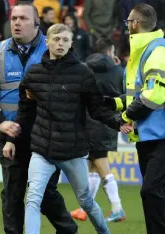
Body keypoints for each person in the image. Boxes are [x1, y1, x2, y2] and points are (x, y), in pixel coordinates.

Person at [5, 23, 120, 234]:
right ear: (47, 41)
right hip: (42, 148)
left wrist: (118, 122)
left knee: (86, 201)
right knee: (33, 198)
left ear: (71, 44)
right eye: (56, 39)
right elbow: (25, 112)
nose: (60, 44)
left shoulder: (83, 74)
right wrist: (11, 139)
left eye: (65, 40)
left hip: (73, 150)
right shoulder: (33, 74)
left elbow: (97, 108)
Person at [0, 1, 78, 234]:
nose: (17, 22)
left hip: (46, 135)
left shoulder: (54, 47)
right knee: (12, 194)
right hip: (11, 134)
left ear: (37, 23)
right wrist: (0, 124)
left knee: (44, 194)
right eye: (13, 18)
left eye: (23, 18)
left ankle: (68, 231)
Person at [105, 3, 165, 234]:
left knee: (151, 191)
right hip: (150, 134)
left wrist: (126, 116)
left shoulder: (158, 51)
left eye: (129, 21)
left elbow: (155, 95)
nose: (126, 25)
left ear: (135, 24)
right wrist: (114, 104)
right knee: (154, 193)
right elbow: (138, 94)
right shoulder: (147, 51)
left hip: (164, 133)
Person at [70, 38, 126, 223]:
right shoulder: (118, 71)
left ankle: (117, 207)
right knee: (93, 166)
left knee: (100, 165)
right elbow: (123, 94)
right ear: (111, 51)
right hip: (109, 121)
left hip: (89, 120)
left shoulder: (84, 68)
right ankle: (85, 208)